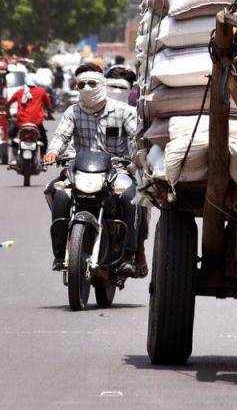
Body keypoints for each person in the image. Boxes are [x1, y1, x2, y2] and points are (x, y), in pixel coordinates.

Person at [41, 63, 143, 276]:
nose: (87, 88)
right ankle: (60, 254)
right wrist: (52, 152)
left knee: (130, 198)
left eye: (92, 83)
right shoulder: (73, 112)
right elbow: (60, 136)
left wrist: (137, 159)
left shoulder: (124, 112)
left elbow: (137, 139)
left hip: (117, 171)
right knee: (57, 192)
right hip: (80, 172)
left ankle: (129, 255)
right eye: (82, 84)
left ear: (102, 84)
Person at [8, 73, 53, 151]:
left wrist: (8, 114)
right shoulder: (41, 91)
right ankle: (43, 156)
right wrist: (49, 115)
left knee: (14, 136)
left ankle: (14, 155)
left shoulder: (20, 92)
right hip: (36, 122)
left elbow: (8, 103)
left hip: (21, 122)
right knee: (43, 139)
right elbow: (48, 106)